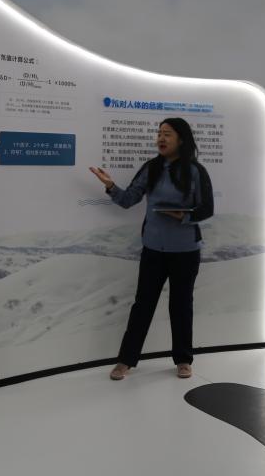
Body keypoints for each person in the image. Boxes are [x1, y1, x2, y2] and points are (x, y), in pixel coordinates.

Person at [89, 118, 214, 381]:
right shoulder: (151, 168)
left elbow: (207, 209)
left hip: (186, 251)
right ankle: (126, 360)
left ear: (181, 139)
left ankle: (183, 360)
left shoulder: (196, 170)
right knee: (143, 305)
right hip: (153, 249)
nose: (161, 138)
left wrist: (183, 216)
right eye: (159, 133)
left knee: (181, 306)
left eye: (167, 134)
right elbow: (128, 200)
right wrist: (110, 185)